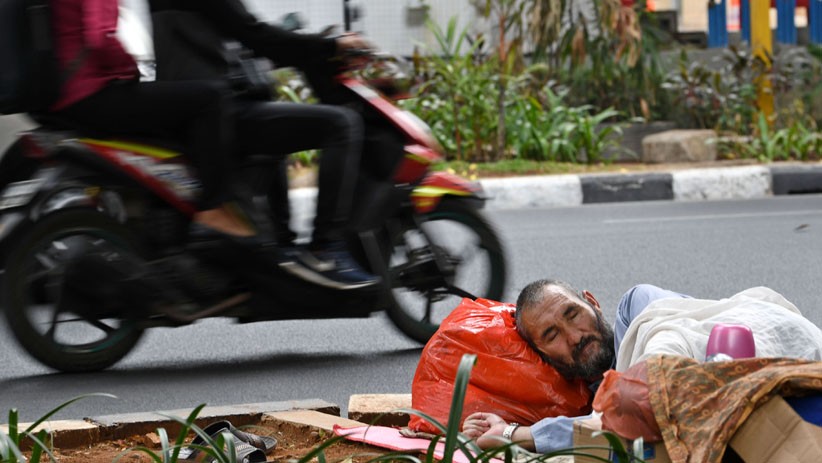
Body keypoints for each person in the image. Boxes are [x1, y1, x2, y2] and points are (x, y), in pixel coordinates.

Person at [147, 0, 380, 290]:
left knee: (275, 119)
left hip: (196, 105)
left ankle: (282, 246)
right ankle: (326, 249)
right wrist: (331, 46)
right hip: (215, 111)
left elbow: (244, 39)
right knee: (342, 124)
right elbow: (256, 35)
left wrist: (306, 46)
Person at [462, 279, 822, 453]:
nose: (574, 336)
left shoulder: (637, 310)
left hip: (785, 362)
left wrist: (515, 434)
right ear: (542, 355)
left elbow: (650, 394)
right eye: (552, 334)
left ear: (592, 303)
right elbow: (611, 421)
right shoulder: (592, 398)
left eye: (573, 314)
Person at [49, 0, 254, 240]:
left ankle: (154, 216)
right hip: (91, 97)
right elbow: (100, 39)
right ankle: (213, 207)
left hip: (61, 99)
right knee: (212, 98)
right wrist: (129, 70)